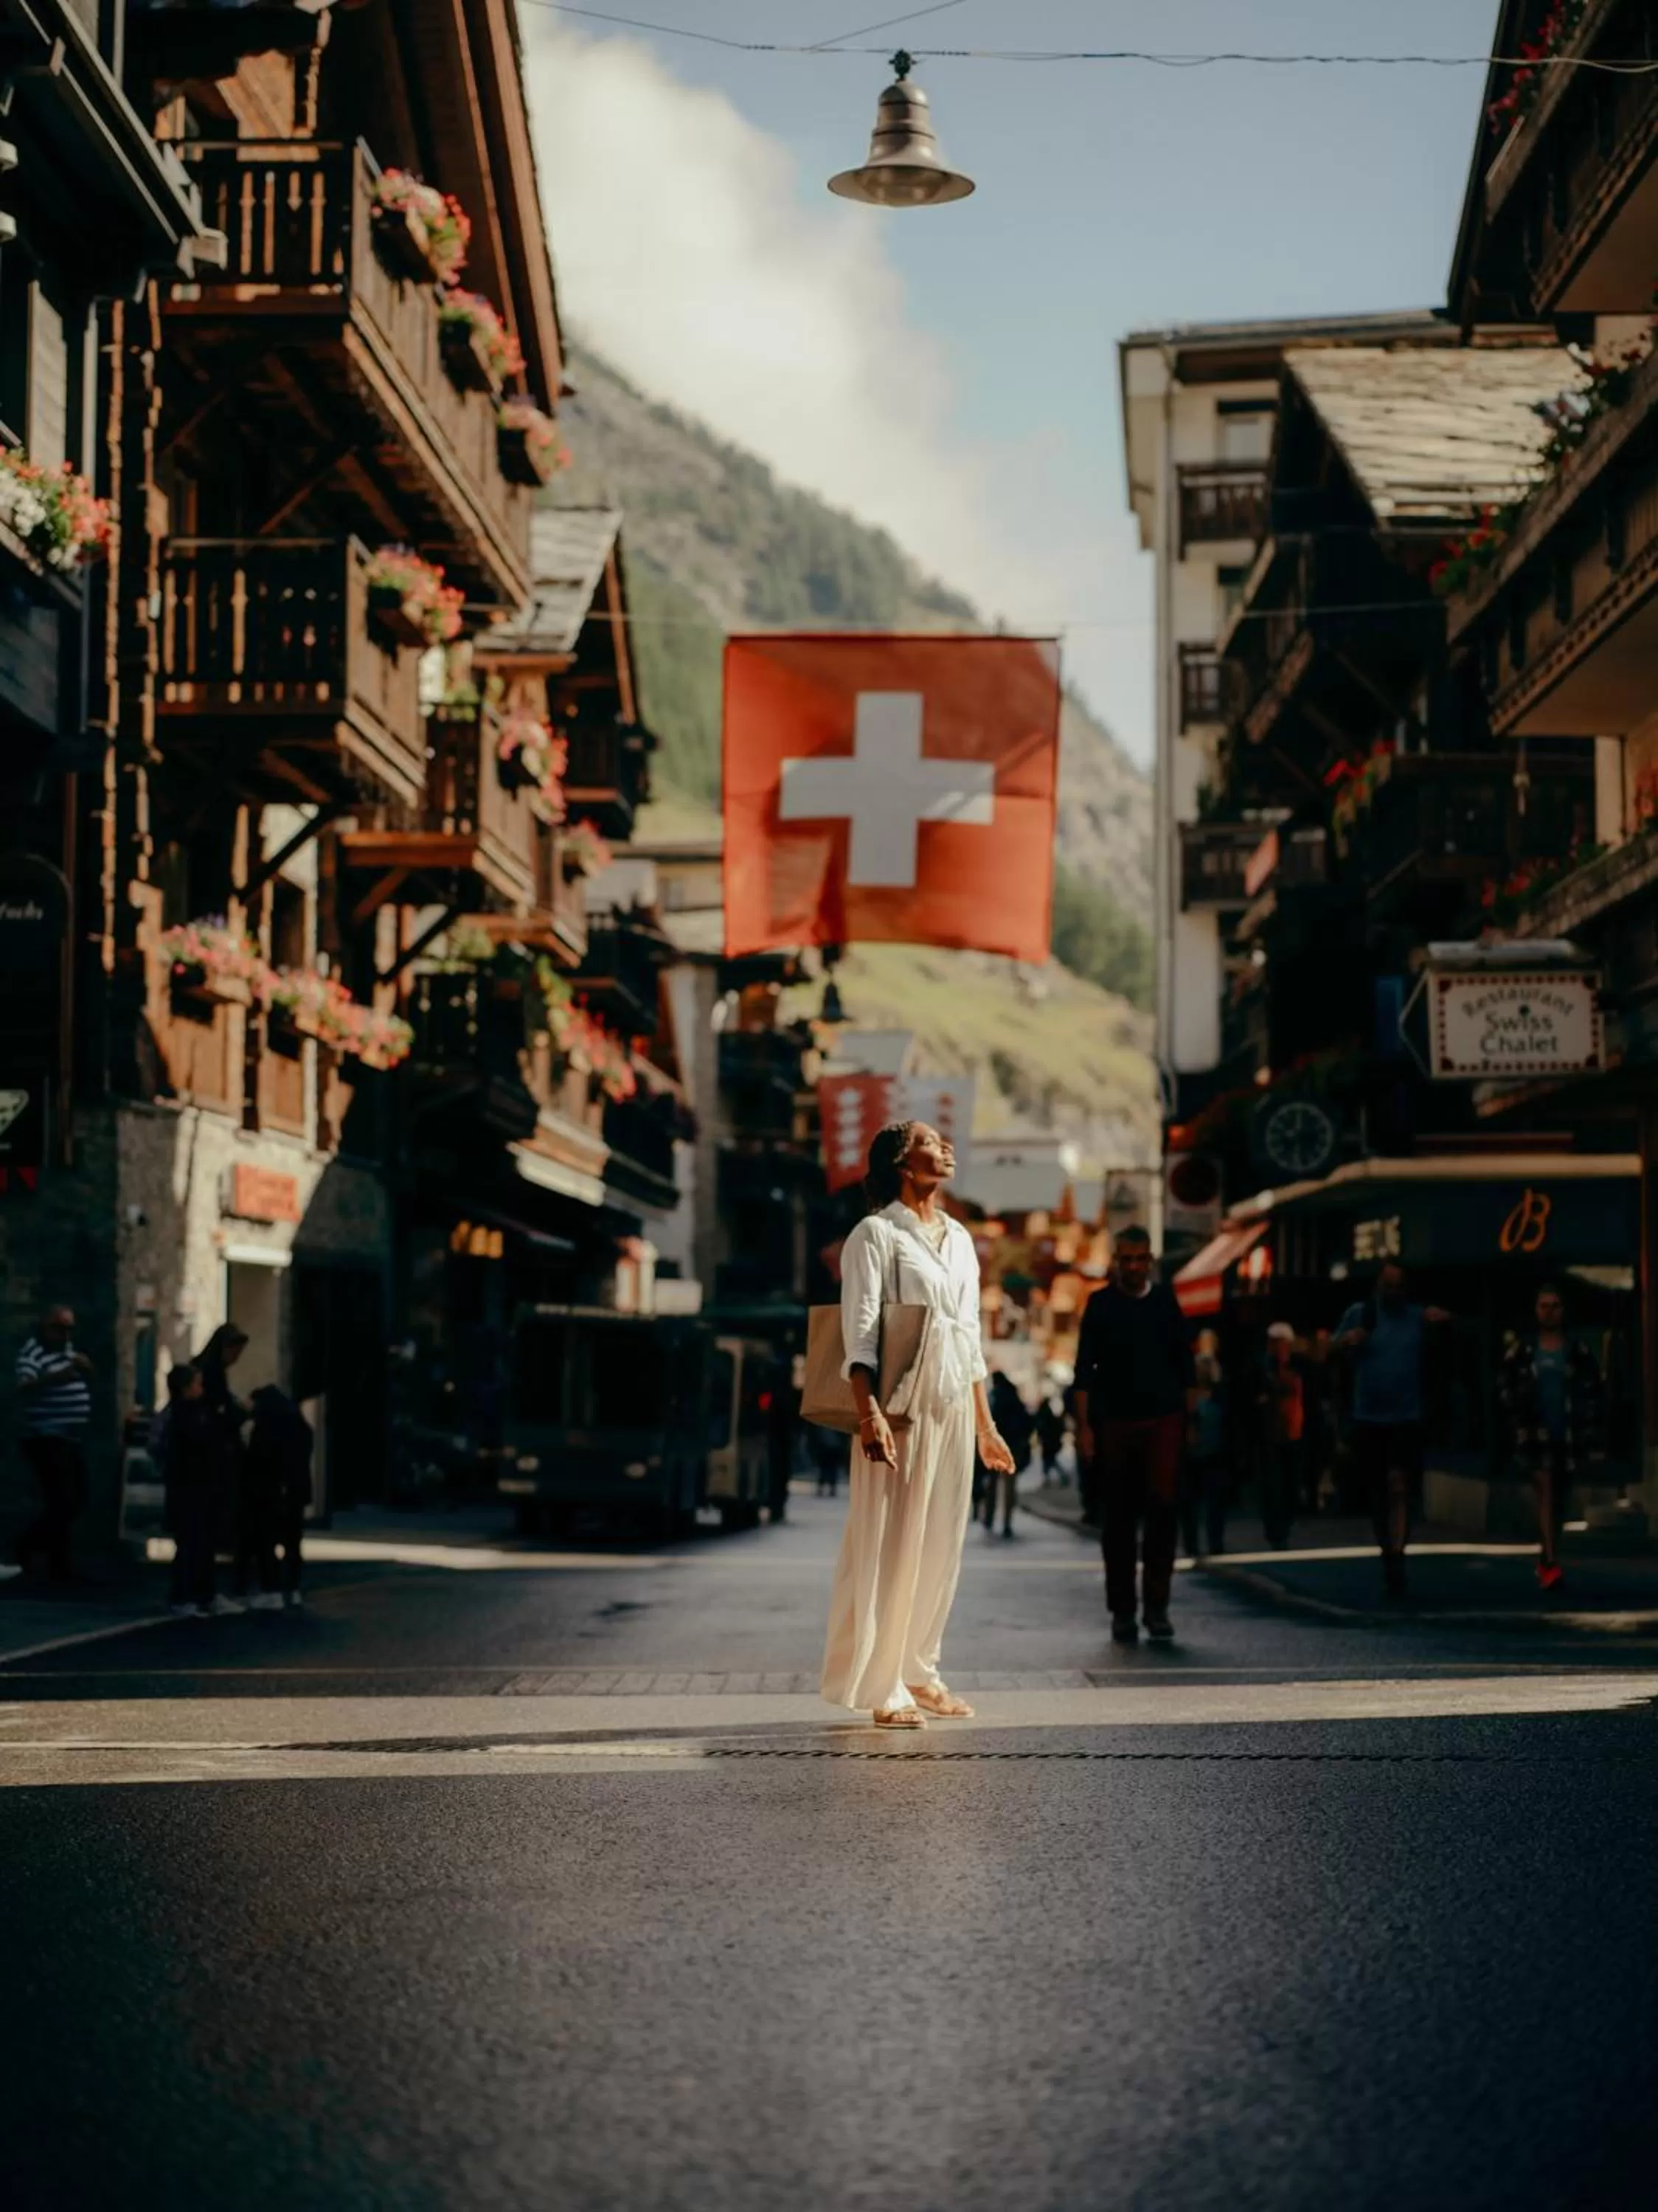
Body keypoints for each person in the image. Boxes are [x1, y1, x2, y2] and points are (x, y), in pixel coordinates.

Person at [821, 1121, 1015, 1728]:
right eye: (935, 1142)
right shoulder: (876, 1235)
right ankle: (885, 1685)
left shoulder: (959, 1238)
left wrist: (985, 1425)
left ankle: (919, 1671)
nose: (948, 1148)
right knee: (891, 1543)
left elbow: (971, 1338)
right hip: (898, 1410)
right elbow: (860, 1332)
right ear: (906, 1161)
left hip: (954, 1404)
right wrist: (868, 1412)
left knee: (940, 1546)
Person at [1075, 1226, 1196, 1644]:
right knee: (1119, 1522)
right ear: (1116, 1261)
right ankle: (1123, 1611)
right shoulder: (1100, 1305)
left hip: (1163, 1420)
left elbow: (1187, 1368)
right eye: (1125, 1259)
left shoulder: (1165, 1303)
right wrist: (1084, 1431)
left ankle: (1157, 1608)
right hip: (1115, 1424)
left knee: (1163, 1515)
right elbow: (1083, 1373)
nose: (1132, 1266)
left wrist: (1186, 1426)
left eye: (1139, 1259)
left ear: (1150, 1261)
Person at [1334, 1262, 1451, 1596]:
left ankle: (1397, 1555)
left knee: (1399, 1485)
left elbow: (1442, 1338)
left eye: (1400, 1286)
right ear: (1378, 1287)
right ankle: (1387, 1549)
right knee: (1378, 1491)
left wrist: (1441, 1322)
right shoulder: (1362, 1314)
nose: (1394, 1293)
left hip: (1405, 1417)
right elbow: (1328, 1348)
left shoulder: (1416, 1316)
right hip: (1369, 1417)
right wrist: (1348, 1341)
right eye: (1389, 1286)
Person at [1500, 1285, 1603, 1593]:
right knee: (1544, 1488)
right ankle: (1551, 1561)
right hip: (1535, 1434)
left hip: (1568, 1435)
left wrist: (1589, 1427)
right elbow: (1505, 1385)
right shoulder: (1523, 1350)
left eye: (1555, 1305)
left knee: (1559, 1498)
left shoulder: (1576, 1350)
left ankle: (1547, 1553)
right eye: (1544, 1305)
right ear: (1536, 1310)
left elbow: (1592, 1388)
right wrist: (1519, 1421)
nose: (1549, 1311)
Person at [13, 1304, 93, 1583]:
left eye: (69, 1328)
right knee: (63, 1500)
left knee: (76, 1499)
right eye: (60, 1328)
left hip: (69, 1438)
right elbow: (24, 1387)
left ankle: (59, 1563)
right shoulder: (32, 1354)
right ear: (45, 1327)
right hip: (46, 1437)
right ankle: (30, 1547)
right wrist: (60, 1376)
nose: (66, 1334)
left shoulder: (68, 1352)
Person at [159, 1363, 244, 1618]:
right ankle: (184, 1597)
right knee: (190, 1544)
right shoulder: (183, 1416)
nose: (202, 1388)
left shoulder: (197, 1412)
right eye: (197, 1383)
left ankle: (204, 1594)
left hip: (203, 1487)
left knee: (203, 1544)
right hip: (190, 1488)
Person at [243, 1385, 315, 1609]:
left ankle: (271, 1589)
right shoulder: (299, 1426)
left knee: (266, 1541)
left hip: (270, 1493)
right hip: (295, 1493)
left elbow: (257, 1460)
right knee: (293, 1542)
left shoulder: (266, 1428)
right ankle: (292, 1589)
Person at [1257, 1322, 1305, 1549]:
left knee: (1289, 1483)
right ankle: (1277, 1531)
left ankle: (1284, 1524)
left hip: (1293, 1431)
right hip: (1271, 1434)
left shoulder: (1297, 1366)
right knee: (1274, 1485)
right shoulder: (1263, 1368)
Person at [1181, 1342, 1229, 1561]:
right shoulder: (1187, 1396)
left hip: (1216, 1453)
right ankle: (1191, 1544)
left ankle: (1215, 1542)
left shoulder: (1220, 1396)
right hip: (1190, 1455)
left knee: (1215, 1502)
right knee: (1190, 1504)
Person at [981, 1371, 1033, 1539]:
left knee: (992, 1485)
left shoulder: (995, 1396)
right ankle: (1007, 1523)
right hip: (1014, 1447)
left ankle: (989, 1519)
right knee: (1009, 1487)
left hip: (997, 1447)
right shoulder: (1015, 1397)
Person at [1035, 1393, 1067, 1483]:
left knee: (1050, 1461)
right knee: (1050, 1461)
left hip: (1048, 1442)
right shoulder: (1048, 1414)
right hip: (1049, 1442)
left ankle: (1054, 1478)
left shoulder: (1044, 1414)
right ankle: (1049, 1478)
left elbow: (1042, 1428)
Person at [811, 1423, 847, 1498]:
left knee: (828, 1469)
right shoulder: (836, 1426)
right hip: (828, 1449)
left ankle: (828, 1488)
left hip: (831, 1449)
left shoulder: (824, 1425)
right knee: (827, 1469)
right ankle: (827, 1488)